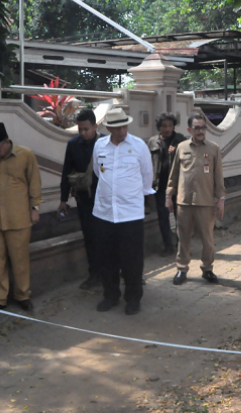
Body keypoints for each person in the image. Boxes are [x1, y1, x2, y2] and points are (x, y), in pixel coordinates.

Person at [92, 107, 154, 315]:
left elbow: (147, 177)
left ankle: (133, 298)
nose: (121, 131)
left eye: (124, 126)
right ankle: (111, 295)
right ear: (109, 127)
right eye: (117, 127)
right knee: (106, 258)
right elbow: (97, 171)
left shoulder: (139, 146)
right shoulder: (100, 146)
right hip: (104, 213)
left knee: (132, 260)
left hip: (131, 214)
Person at [0, 122, 43, 314]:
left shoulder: (26, 155)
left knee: (20, 260)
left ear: (7, 142)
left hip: (19, 219)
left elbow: (34, 183)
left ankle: (23, 295)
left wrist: (35, 208)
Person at [166, 112, 225, 285]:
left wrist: (220, 199)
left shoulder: (213, 148)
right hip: (184, 201)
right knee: (183, 238)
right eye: (197, 128)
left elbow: (219, 177)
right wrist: (169, 195)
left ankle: (207, 269)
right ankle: (181, 269)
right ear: (189, 129)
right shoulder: (182, 147)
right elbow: (174, 174)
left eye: (203, 127)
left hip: (206, 202)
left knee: (208, 239)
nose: (200, 131)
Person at [58, 109, 101, 290]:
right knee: (90, 238)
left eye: (86, 129)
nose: (83, 133)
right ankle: (94, 275)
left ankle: (114, 272)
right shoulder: (73, 144)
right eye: (80, 129)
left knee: (109, 238)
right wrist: (63, 199)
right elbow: (67, 171)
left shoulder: (105, 143)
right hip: (84, 200)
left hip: (104, 199)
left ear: (95, 126)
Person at [147, 112, 187, 256]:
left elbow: (189, 159)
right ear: (159, 127)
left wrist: (176, 152)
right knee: (163, 217)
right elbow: (148, 163)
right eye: (164, 126)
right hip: (160, 186)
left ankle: (182, 246)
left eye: (170, 126)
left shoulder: (180, 140)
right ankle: (168, 246)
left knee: (180, 217)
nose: (167, 129)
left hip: (178, 186)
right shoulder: (153, 141)